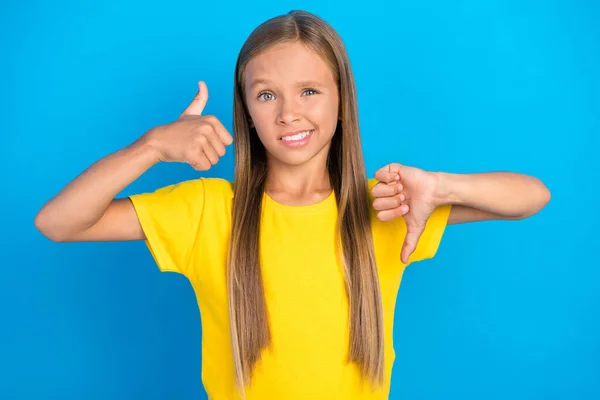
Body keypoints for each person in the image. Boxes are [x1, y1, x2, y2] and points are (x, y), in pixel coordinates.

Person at [34, 9, 551, 400]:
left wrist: (442, 187)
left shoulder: (386, 207)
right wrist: (150, 147)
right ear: (247, 113)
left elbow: (531, 197)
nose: (288, 114)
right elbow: (57, 222)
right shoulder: (209, 211)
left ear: (341, 100)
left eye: (308, 91)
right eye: (266, 95)